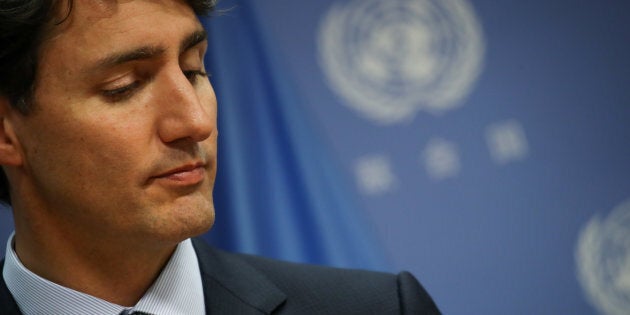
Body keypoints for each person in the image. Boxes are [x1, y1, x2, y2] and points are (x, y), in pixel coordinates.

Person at [0, 0, 441, 314]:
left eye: (194, 70)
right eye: (125, 86)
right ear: (6, 132)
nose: (195, 121)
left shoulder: (382, 308)